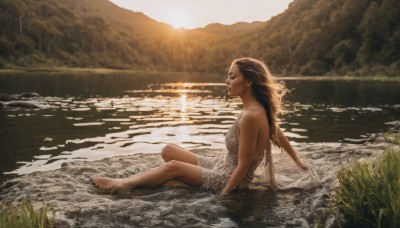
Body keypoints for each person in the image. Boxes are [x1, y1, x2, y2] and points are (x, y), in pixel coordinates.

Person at [92, 57, 313, 195]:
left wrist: (225, 195)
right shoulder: (256, 110)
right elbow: (278, 134)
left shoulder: (251, 116)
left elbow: (243, 166)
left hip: (227, 177)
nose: (226, 81)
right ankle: (180, 182)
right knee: (168, 150)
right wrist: (298, 160)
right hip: (221, 164)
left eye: (232, 76)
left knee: (173, 166)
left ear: (248, 82)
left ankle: (123, 184)